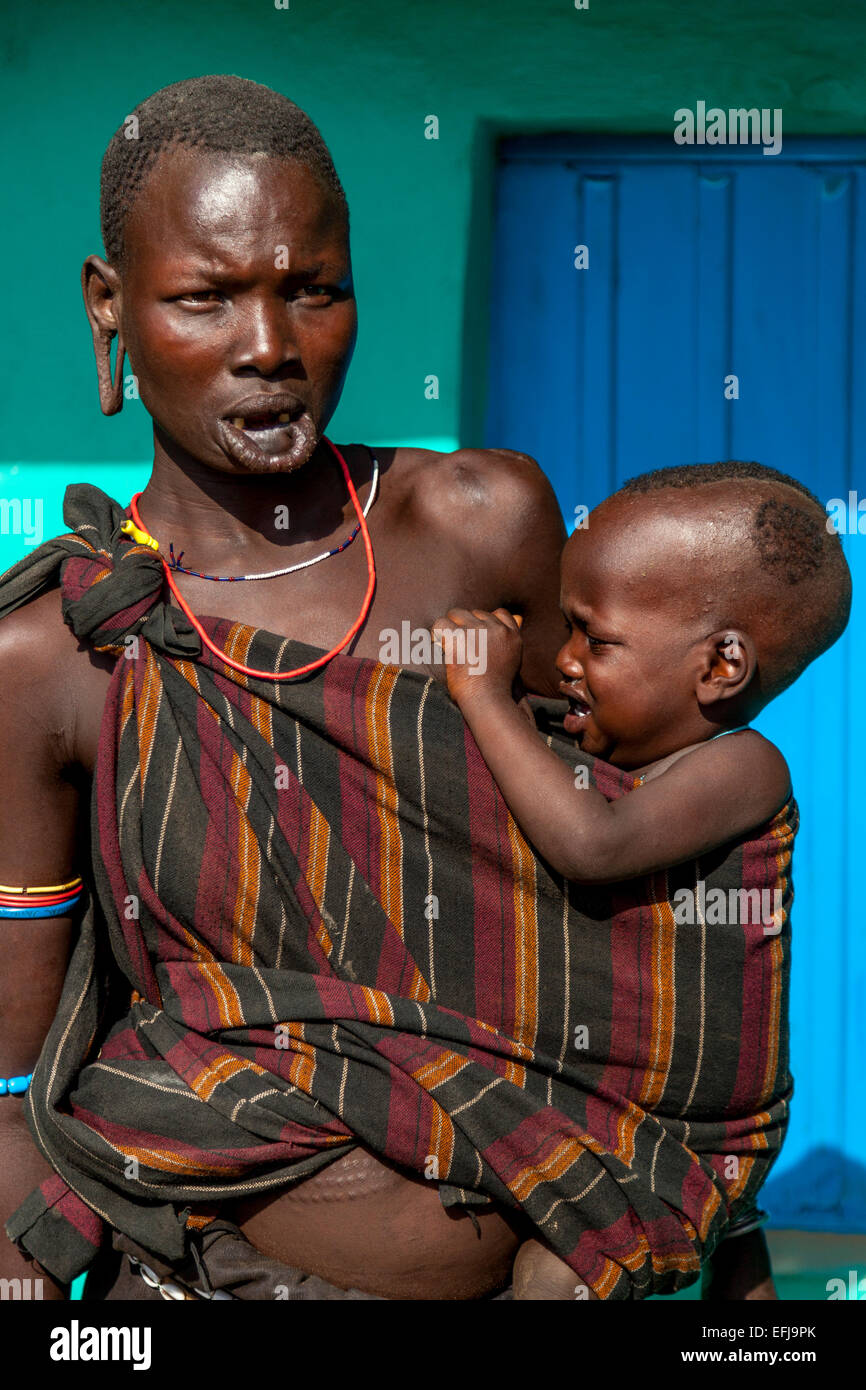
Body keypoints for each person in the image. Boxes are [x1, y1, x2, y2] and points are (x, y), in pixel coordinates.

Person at [0, 75, 776, 1302]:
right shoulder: (60, 650)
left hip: (559, 1246)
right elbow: (12, 1079)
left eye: (312, 288)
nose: (269, 345)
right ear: (110, 307)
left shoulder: (477, 524)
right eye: (205, 296)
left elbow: (621, 871)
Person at [432, 460, 852, 1298]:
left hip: (697, 1129)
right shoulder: (610, 759)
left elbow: (592, 844)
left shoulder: (745, 768)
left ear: (720, 668)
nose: (567, 659)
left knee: (557, 1277)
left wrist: (483, 697)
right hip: (612, 1106)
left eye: (597, 638)